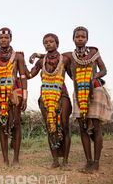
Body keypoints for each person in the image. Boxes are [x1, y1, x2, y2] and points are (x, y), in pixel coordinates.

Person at [63, 26, 112, 173]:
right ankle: (88, 162)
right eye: (77, 37)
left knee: (96, 127)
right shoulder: (70, 56)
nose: (80, 39)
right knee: (82, 127)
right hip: (79, 93)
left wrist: (93, 76)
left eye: (82, 37)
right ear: (73, 39)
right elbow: (55, 57)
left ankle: (96, 163)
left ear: (87, 39)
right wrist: (37, 55)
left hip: (95, 91)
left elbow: (104, 70)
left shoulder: (94, 53)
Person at [27, 33, 72, 170]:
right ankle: (55, 160)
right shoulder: (41, 62)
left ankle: (65, 161)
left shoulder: (64, 59)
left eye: (51, 41)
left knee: (64, 127)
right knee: (50, 127)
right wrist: (20, 60)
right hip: (46, 97)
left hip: (61, 94)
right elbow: (29, 75)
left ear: (57, 43)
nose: (48, 44)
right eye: (45, 42)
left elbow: (72, 76)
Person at [0, 28, 27, 167]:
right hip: (0, 94)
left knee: (16, 124)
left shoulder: (17, 57)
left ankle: (16, 159)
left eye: (6, 37)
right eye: (1, 38)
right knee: (2, 124)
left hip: (15, 92)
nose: (3, 40)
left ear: (11, 38)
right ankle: (5, 159)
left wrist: (24, 97)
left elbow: (23, 77)